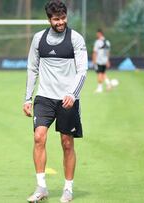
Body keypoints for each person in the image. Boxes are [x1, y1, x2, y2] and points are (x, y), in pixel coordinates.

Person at [23, 0, 87, 202]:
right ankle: (41, 187)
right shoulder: (38, 39)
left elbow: (82, 71)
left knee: (67, 143)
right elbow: (32, 69)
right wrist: (27, 98)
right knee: (38, 137)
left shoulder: (75, 39)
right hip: (44, 98)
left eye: (63, 18)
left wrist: (72, 94)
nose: (61, 22)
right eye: (56, 19)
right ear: (49, 19)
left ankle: (68, 189)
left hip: (67, 99)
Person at [92, 29, 111, 93]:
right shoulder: (107, 42)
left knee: (99, 73)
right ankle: (108, 84)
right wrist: (108, 60)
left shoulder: (98, 42)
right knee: (103, 73)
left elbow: (95, 52)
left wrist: (94, 60)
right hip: (105, 60)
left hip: (99, 60)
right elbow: (108, 52)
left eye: (97, 34)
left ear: (100, 33)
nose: (96, 35)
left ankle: (99, 88)